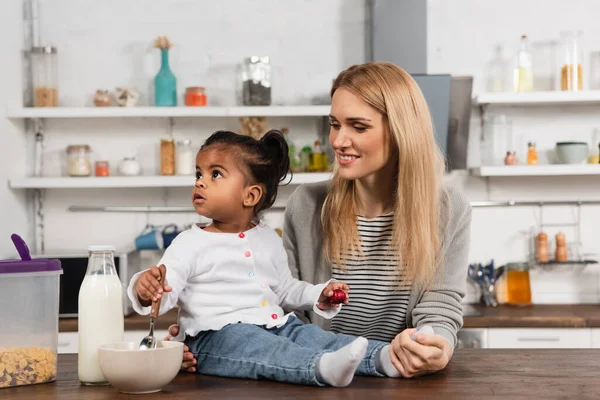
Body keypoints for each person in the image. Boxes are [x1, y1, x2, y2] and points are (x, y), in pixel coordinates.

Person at [172, 62, 472, 379]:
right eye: (335, 124)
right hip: (310, 378)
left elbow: (441, 306)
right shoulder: (308, 204)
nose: (338, 141)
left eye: (358, 126)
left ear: (401, 132)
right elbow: (276, 304)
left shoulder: (448, 210)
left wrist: (431, 344)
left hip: (399, 378)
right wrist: (199, 333)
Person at [128, 129, 412, 387]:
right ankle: (319, 368)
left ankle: (383, 358)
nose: (201, 182)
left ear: (250, 195)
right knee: (266, 348)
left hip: (275, 323)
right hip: (215, 337)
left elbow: (285, 288)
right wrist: (145, 289)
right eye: (198, 174)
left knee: (312, 336)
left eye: (215, 174)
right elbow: (166, 289)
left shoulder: (267, 238)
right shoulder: (189, 242)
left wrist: (318, 294)